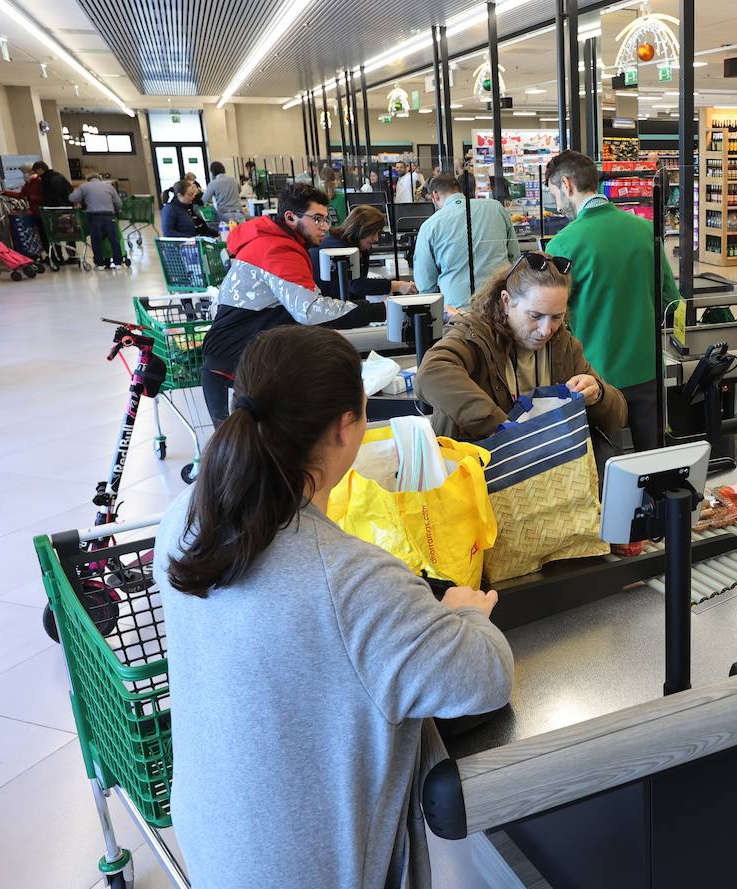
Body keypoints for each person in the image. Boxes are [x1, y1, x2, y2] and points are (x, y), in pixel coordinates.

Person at [155, 323, 512, 888]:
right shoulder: (347, 579)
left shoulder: (185, 518)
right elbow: (484, 677)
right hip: (311, 869)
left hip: (215, 838)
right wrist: (466, 612)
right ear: (347, 428)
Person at [544, 149, 680, 453]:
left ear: (566, 185)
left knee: (607, 471)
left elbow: (552, 318)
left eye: (554, 193)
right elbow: (671, 301)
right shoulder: (646, 230)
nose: (556, 204)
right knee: (654, 463)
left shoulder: (562, 244)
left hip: (594, 378)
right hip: (648, 368)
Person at [416, 251, 626, 441]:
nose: (546, 330)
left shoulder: (564, 345)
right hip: (474, 472)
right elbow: (431, 373)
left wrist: (598, 394)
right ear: (506, 302)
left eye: (557, 317)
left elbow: (618, 417)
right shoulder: (474, 336)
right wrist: (501, 427)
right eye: (535, 316)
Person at [199, 183, 356, 425]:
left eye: (326, 219)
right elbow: (309, 310)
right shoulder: (277, 249)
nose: (325, 226)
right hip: (236, 359)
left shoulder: (275, 240)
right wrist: (374, 311)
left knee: (245, 442)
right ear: (291, 217)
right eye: (317, 219)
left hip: (232, 355)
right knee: (244, 446)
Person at [412, 174, 519, 312]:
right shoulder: (495, 208)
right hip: (499, 307)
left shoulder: (430, 226)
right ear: (459, 190)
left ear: (435, 196)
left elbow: (426, 285)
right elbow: (515, 259)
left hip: (457, 313)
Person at [308, 204, 417, 323]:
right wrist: (398, 285)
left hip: (342, 309)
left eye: (378, 233)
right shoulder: (336, 248)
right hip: (328, 313)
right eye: (373, 233)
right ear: (360, 230)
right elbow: (356, 285)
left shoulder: (359, 248)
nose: (376, 238)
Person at [68, 176, 126, 269]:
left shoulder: (84, 186)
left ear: (88, 179)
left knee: (96, 240)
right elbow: (119, 203)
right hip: (109, 216)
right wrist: (116, 211)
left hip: (95, 217)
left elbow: (72, 198)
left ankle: (100, 264)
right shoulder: (109, 186)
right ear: (100, 179)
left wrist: (83, 198)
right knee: (114, 240)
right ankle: (118, 263)